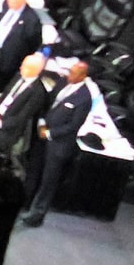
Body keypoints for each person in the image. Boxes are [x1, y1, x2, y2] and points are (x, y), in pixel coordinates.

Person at [21, 57, 99, 227]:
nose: (68, 74)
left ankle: (37, 215)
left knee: (48, 180)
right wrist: (42, 122)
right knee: (34, 169)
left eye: (73, 73)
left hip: (58, 144)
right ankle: (24, 202)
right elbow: (49, 103)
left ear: (83, 76)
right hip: (43, 132)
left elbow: (73, 125)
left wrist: (50, 133)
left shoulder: (84, 98)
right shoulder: (64, 82)